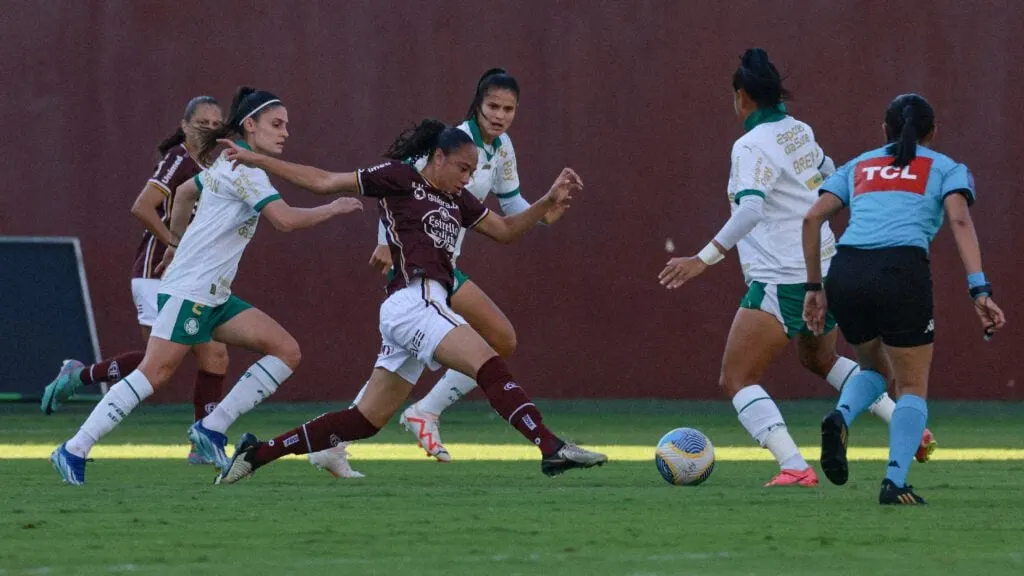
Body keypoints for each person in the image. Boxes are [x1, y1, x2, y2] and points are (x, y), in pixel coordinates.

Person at [212, 118, 608, 484]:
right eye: (461, 168)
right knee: (487, 361)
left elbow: (504, 230)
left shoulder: (459, 199)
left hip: (420, 307)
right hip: (414, 301)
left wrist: (545, 201)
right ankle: (550, 446)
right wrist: (255, 159)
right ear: (438, 157)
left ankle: (257, 453)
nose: (466, 177)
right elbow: (323, 181)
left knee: (364, 421)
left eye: (472, 171)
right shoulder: (400, 178)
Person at [49, 87, 365, 485]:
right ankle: (73, 448)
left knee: (285, 351)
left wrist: (174, 244)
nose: (285, 132)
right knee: (154, 373)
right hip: (191, 291)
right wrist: (332, 208)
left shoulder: (225, 161)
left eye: (287, 125)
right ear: (250, 126)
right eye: (276, 124)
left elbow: (184, 193)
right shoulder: (247, 172)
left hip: (213, 293)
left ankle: (212, 428)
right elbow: (284, 221)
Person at [657, 49, 932, 488]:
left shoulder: (749, 145)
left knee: (737, 377)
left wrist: (701, 259)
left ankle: (794, 466)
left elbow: (749, 211)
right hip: (825, 266)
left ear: (741, 96)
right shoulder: (797, 130)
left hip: (782, 278)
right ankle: (907, 423)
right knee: (819, 358)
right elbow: (831, 172)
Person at [307, 68, 569, 476]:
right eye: (493, 106)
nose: (500, 116)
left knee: (476, 345)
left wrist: (544, 214)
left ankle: (403, 418)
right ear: (476, 105)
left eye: (509, 109)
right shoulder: (449, 144)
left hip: (447, 266)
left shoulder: (502, 149)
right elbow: (398, 187)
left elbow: (512, 207)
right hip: (418, 261)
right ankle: (414, 415)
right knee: (486, 341)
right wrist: (383, 243)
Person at [803, 93, 1006, 504]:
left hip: (848, 269)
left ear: (884, 131)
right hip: (900, 271)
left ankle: (840, 416)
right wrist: (979, 288)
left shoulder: (860, 164)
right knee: (912, 384)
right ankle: (894, 483)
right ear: (933, 132)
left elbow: (812, 217)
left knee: (873, 368)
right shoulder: (947, 168)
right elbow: (960, 219)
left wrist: (814, 288)